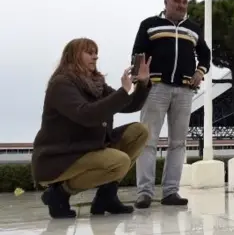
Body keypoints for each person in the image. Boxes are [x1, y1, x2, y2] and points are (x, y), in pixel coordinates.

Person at [31, 38, 153, 219]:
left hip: (89, 147)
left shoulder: (97, 84)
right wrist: (122, 92)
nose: (95, 57)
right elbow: (86, 115)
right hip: (62, 155)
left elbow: (129, 106)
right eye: (89, 52)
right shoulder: (61, 84)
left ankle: (106, 197)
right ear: (73, 56)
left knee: (140, 131)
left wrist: (142, 83)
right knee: (119, 161)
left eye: (96, 53)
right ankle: (59, 194)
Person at [132, 0, 211, 208]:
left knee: (178, 143)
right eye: (177, 0)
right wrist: (141, 78)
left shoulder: (193, 29)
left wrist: (199, 72)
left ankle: (170, 192)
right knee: (147, 141)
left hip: (184, 91)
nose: (181, 5)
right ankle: (144, 192)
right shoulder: (149, 24)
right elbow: (138, 52)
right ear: (166, 2)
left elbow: (205, 54)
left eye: (185, 1)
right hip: (155, 88)